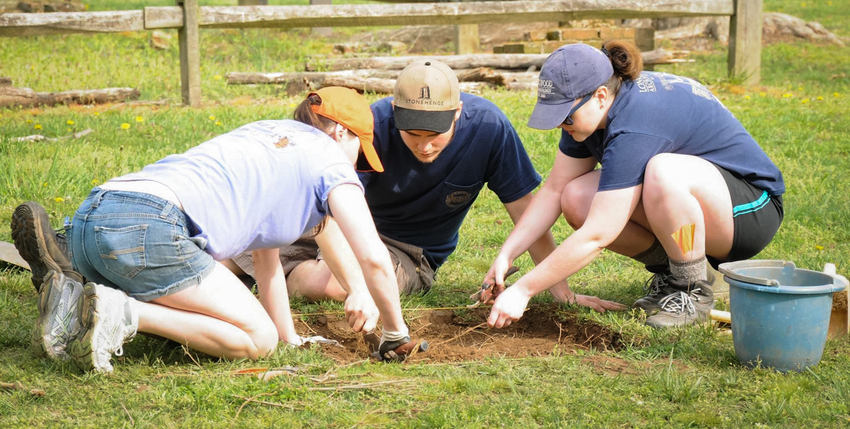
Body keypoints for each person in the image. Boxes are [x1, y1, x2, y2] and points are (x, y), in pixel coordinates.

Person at [12, 87, 424, 373]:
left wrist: (290, 338)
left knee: (267, 333)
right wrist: (394, 332)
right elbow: (372, 255)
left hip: (93, 216)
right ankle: (120, 311)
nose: (355, 166)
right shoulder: (329, 159)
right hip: (151, 228)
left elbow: (267, 263)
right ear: (340, 132)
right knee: (255, 339)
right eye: (358, 151)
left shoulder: (265, 137)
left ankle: (74, 292)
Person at [225, 59, 625, 313]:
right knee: (229, 252)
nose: (426, 144)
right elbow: (321, 200)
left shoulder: (488, 128)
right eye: (413, 133)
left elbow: (527, 211)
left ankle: (271, 277)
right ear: (394, 113)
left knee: (325, 282)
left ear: (458, 112)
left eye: (437, 133)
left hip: (408, 252)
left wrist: (560, 290)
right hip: (334, 225)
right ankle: (248, 275)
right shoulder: (370, 126)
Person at [484, 41, 785, 329]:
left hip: (750, 210)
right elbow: (554, 190)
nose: (562, 124)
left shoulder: (637, 122)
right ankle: (674, 272)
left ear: (600, 96)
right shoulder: (589, 114)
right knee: (576, 197)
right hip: (699, 205)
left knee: (663, 171)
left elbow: (598, 234)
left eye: (565, 115)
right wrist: (507, 254)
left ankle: (692, 289)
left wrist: (524, 290)